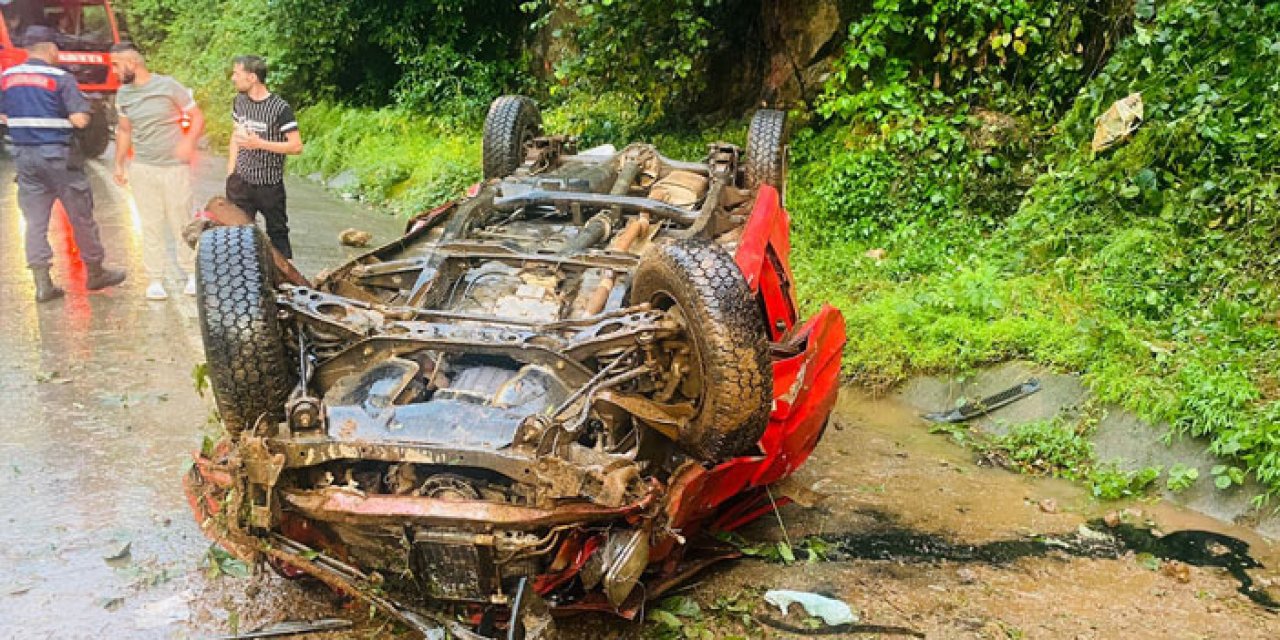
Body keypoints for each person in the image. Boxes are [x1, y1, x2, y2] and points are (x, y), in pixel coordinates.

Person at [0, 25, 125, 303]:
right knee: (80, 215)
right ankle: (95, 272)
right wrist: (80, 116)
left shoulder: (6, 77)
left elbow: (4, 117)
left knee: (35, 222)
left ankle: (43, 283)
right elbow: (80, 120)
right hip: (59, 157)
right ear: (50, 49)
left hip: (25, 158)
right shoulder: (60, 78)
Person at [110, 43, 205, 300]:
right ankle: (155, 279)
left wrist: (188, 142)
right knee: (150, 224)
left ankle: (192, 274)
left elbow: (197, 117)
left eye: (116, 64)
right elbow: (125, 130)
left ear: (132, 63)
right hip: (143, 167)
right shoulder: (123, 95)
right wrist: (119, 163)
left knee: (181, 221)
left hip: (175, 168)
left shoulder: (168, 86)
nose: (114, 70)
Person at [226, 55, 302, 258]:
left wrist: (260, 144)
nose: (233, 78)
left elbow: (296, 146)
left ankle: (285, 282)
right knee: (235, 235)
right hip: (241, 181)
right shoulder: (239, 102)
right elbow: (236, 135)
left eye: (237, 73)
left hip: (269, 184)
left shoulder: (279, 108)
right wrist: (231, 172)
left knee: (277, 234)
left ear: (252, 77)